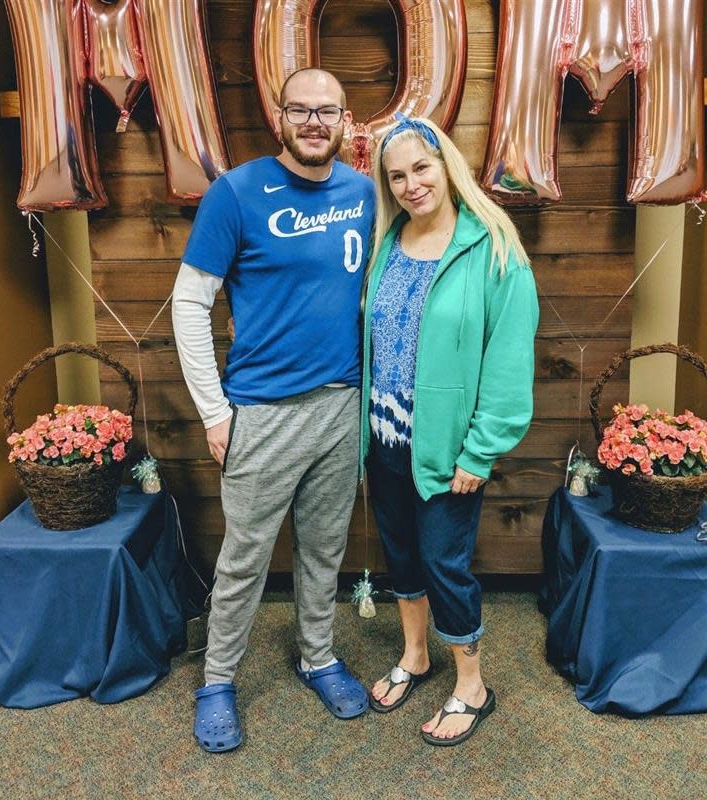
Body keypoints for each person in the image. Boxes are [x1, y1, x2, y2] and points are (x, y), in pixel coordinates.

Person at [172, 68, 375, 752]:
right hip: (260, 409)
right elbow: (189, 303)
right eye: (301, 110)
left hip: (340, 404)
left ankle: (316, 655)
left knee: (323, 550)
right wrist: (213, 411)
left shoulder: (364, 193)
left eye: (328, 112)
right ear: (280, 117)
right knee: (244, 560)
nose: (315, 122)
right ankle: (217, 681)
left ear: (346, 121)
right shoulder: (236, 192)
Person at [360, 115, 539, 746]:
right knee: (402, 553)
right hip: (383, 439)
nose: (412, 185)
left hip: (449, 448)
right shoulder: (388, 242)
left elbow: (509, 363)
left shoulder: (494, 248)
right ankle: (415, 654)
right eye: (398, 175)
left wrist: (481, 450)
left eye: (422, 168)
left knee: (444, 561)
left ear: (447, 166)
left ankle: (473, 686)